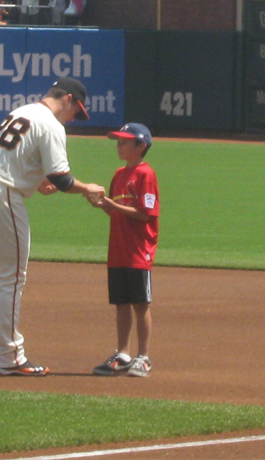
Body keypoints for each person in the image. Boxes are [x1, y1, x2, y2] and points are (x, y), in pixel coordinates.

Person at [0, 77, 103, 376]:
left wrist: (35, 179)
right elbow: (64, 180)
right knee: (11, 279)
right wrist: (87, 187)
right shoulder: (52, 124)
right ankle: (10, 357)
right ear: (67, 99)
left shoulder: (23, 111)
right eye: (77, 110)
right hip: (2, 196)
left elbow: (14, 156)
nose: (75, 117)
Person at [90, 123, 160, 378]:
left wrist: (113, 206)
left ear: (140, 146)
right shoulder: (119, 174)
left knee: (140, 303)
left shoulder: (145, 175)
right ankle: (122, 354)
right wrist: (100, 204)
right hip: (117, 249)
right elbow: (112, 210)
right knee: (121, 303)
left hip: (138, 249)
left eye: (124, 142)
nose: (118, 146)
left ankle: (143, 357)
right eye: (118, 142)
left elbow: (145, 214)